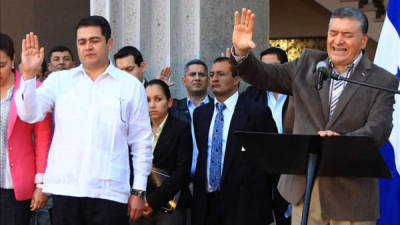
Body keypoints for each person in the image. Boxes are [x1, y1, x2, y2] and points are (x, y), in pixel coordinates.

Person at [230, 7, 399, 225]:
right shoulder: (307, 64)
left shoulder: (382, 80)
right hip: (305, 189)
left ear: (364, 40)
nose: (338, 41)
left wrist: (340, 142)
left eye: (347, 35)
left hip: (351, 196)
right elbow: (263, 75)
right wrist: (241, 53)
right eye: (333, 33)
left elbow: (379, 129)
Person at [15, 15, 153, 225]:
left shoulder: (130, 86)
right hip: (67, 190)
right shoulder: (59, 81)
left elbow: (142, 142)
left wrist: (139, 190)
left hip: (110, 191)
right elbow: (29, 114)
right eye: (82, 42)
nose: (88, 46)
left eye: (94, 40)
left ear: (109, 43)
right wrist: (28, 75)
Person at [191, 56, 278, 225]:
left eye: (221, 74)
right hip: (207, 205)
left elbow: (270, 159)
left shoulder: (256, 112)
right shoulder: (200, 114)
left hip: (244, 206)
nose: (214, 79)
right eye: (212, 74)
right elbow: (204, 155)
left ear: (236, 79)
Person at [0, 33, 52, 225]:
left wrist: (41, 184)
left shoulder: (34, 89)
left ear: (13, 60)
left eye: (1, 65)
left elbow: (42, 140)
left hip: (16, 185)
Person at [133, 79, 192, 225]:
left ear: (170, 102)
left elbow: (182, 172)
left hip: (171, 205)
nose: (152, 105)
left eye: (158, 99)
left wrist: (152, 201)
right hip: (140, 203)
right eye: (147, 100)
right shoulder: (138, 129)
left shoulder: (181, 129)